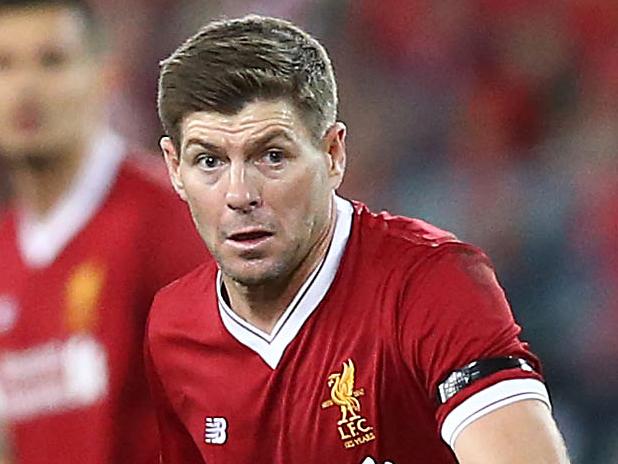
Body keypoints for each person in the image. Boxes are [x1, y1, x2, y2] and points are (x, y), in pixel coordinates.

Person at [145, 14, 571, 464]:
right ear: (174, 168)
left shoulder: (430, 286)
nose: (240, 195)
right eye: (209, 161)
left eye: (272, 156)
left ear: (333, 155)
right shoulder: (173, 328)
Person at [0, 1, 206, 462]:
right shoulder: (4, 253)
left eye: (52, 61)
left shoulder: (173, 220)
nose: (24, 89)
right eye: (4, 65)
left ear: (104, 77)